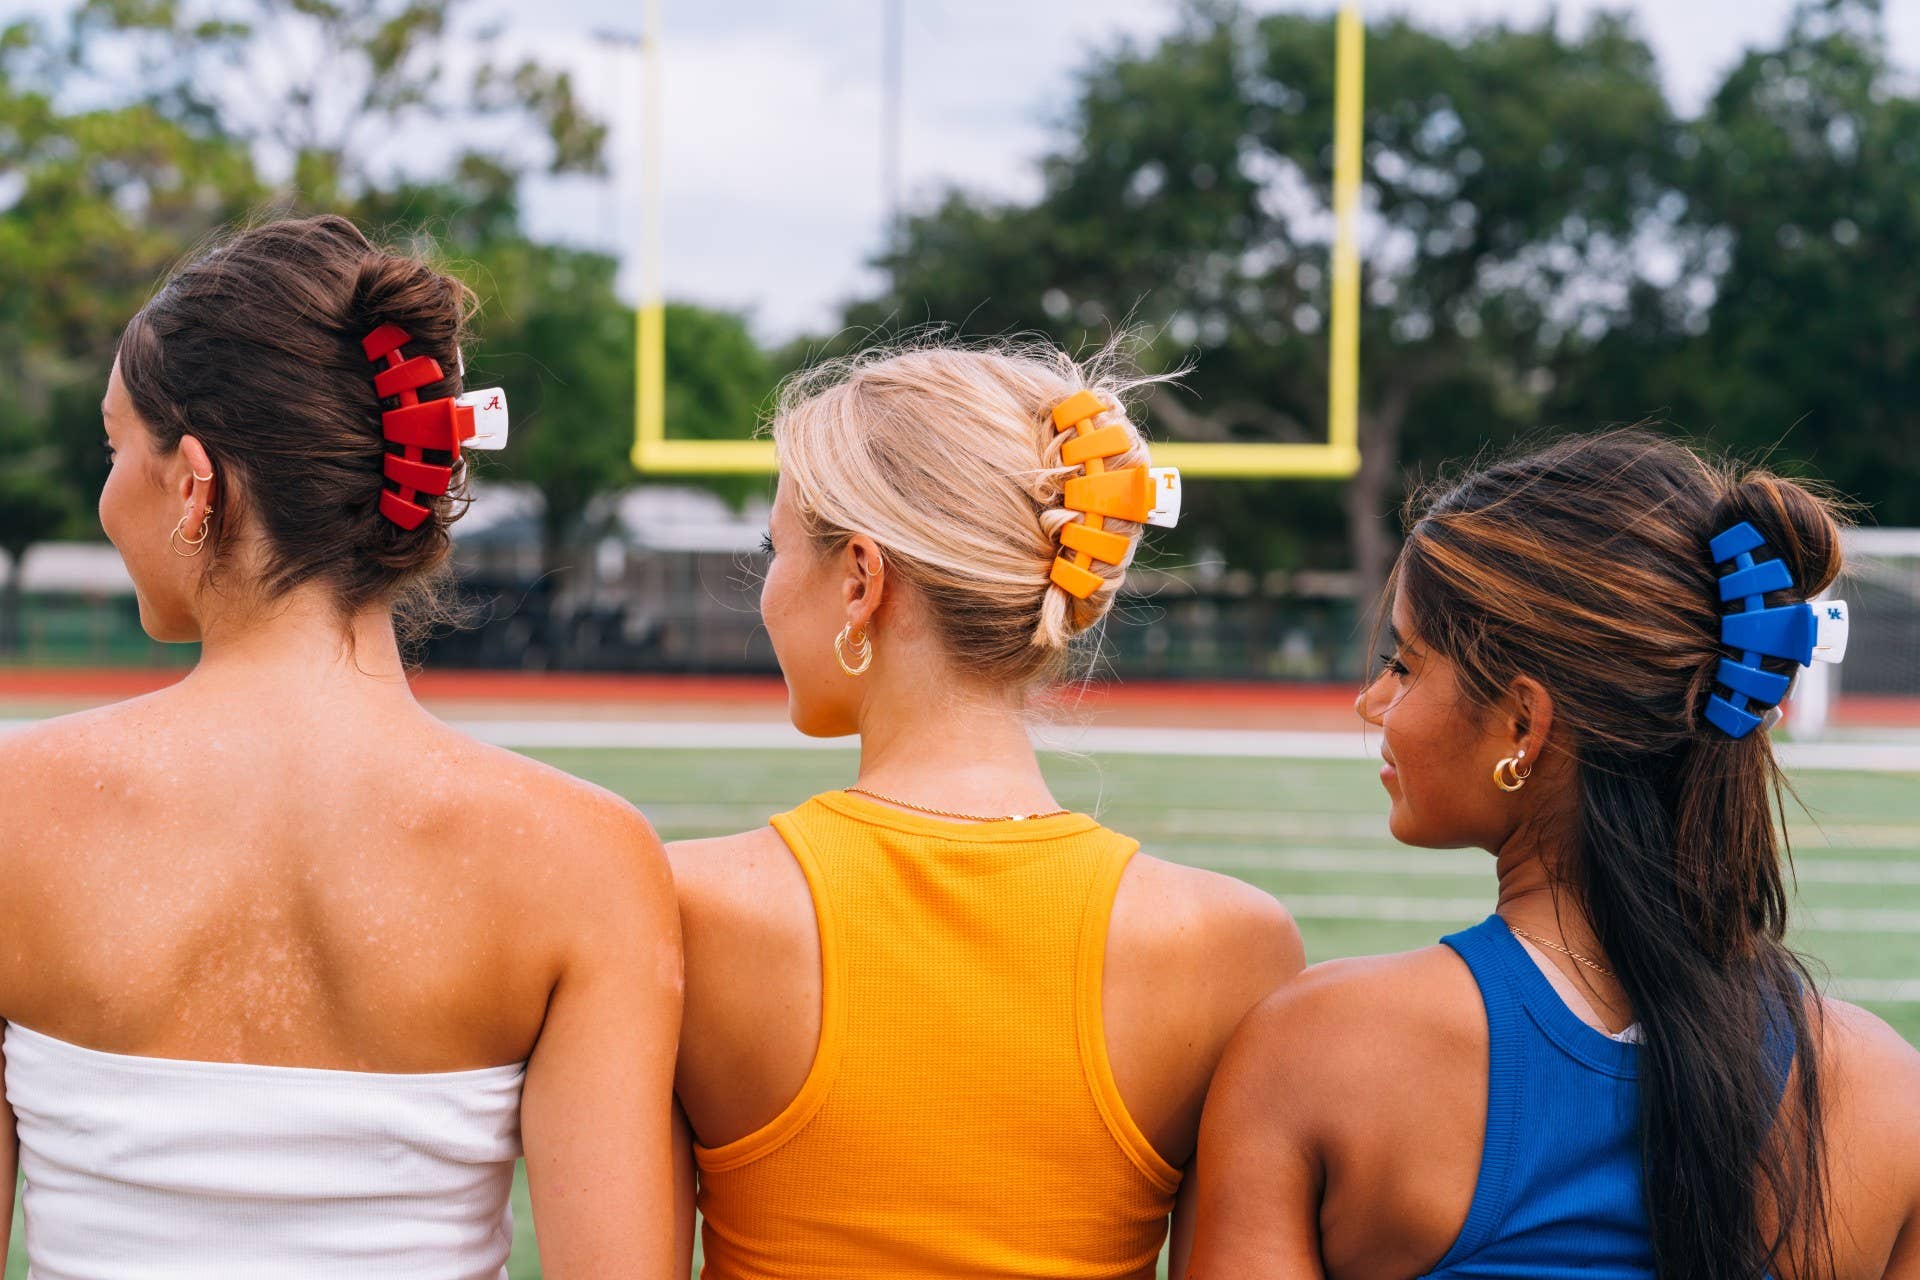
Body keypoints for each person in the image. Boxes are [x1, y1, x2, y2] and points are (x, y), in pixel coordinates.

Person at [0, 215, 683, 1279]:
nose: (103, 493)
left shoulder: (12, 810)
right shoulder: (584, 855)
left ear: (194, 481)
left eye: (113, 444)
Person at [1188, 431, 1920, 1280]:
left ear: (1523, 727)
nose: (1371, 702)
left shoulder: (1316, 1051)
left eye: (1404, 663)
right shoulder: (1889, 1092)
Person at [667, 340, 1303, 1279]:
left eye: (774, 546)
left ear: (860, 579)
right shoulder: (1232, 945)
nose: (763, 587)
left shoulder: (683, 906)